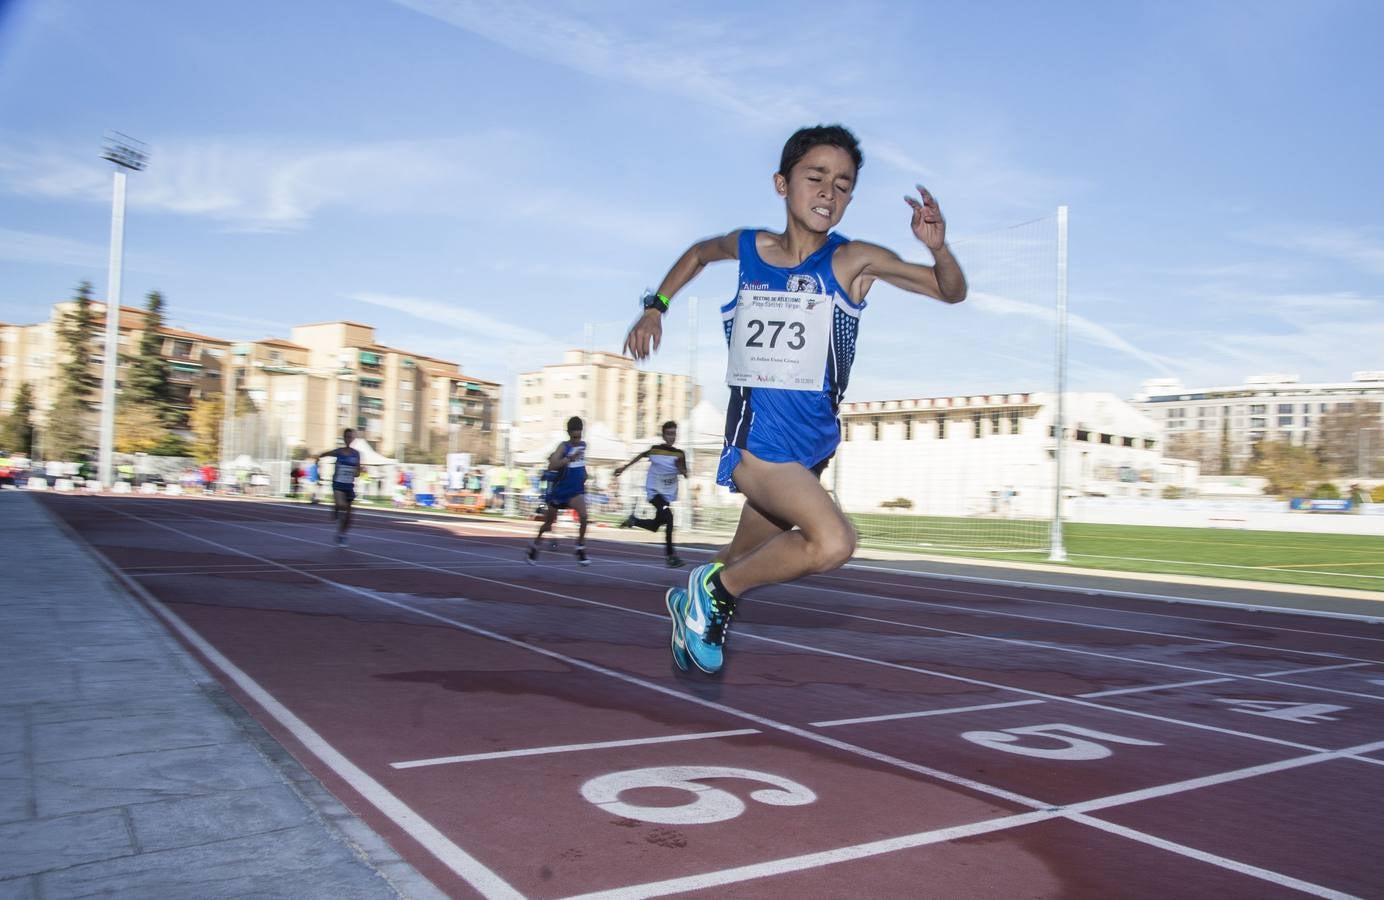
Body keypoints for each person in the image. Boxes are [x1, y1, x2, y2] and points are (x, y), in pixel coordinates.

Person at [622, 124, 967, 675]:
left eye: (844, 184)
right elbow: (696, 253)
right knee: (832, 542)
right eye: (816, 177)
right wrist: (656, 305)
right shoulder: (748, 248)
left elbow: (950, 290)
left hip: (812, 450)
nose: (829, 191)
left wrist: (939, 248)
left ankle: (698, 601)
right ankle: (713, 591)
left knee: (739, 563)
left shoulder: (854, 261)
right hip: (757, 445)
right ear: (783, 184)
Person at [614, 420, 688, 568]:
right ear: (663, 435)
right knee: (670, 518)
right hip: (654, 492)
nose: (672, 437)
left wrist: (680, 468)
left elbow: (685, 473)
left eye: (674, 434)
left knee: (656, 525)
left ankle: (633, 521)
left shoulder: (680, 454)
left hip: (667, 496)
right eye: (669, 434)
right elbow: (641, 456)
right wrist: (624, 468)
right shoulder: (655, 450)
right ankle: (670, 556)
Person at [527, 416, 592, 566]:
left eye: (579, 436)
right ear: (569, 433)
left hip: (575, 491)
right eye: (574, 436)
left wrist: (585, 474)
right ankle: (535, 546)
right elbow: (552, 466)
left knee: (584, 516)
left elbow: (581, 464)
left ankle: (580, 547)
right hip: (559, 491)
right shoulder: (563, 447)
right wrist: (569, 458)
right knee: (548, 524)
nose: (577, 439)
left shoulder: (583, 445)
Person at [318, 429, 362, 547]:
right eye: (347, 437)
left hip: (349, 485)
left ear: (353, 439)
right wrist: (318, 460)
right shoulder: (339, 452)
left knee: (349, 515)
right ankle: (336, 506)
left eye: (350, 437)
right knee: (342, 505)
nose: (348, 439)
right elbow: (324, 455)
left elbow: (358, 471)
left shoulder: (356, 454)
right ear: (343, 438)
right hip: (338, 483)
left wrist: (357, 472)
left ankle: (342, 534)